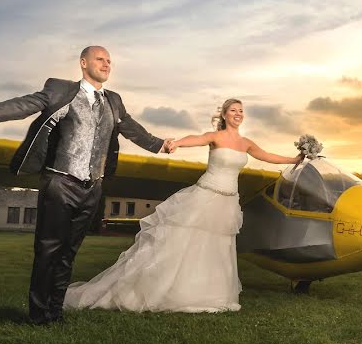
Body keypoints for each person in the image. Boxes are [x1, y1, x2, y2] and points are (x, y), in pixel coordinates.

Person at [0, 46, 173, 325]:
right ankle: (38, 315)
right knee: (48, 250)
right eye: (100, 59)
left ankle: (55, 312)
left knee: (68, 253)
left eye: (109, 60)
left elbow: (132, 128)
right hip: (60, 182)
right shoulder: (60, 90)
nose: (107, 64)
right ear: (84, 63)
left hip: (92, 187)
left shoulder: (114, 101)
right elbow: (21, 105)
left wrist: (159, 144)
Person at [63, 98, 302, 313]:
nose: (238, 114)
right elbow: (195, 139)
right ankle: (166, 290)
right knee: (186, 243)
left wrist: (294, 159)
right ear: (225, 115)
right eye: (233, 110)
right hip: (206, 195)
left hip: (228, 201)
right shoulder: (215, 136)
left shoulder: (247, 143)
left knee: (217, 247)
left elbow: (267, 156)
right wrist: (176, 143)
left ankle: (210, 294)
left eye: (241, 110)